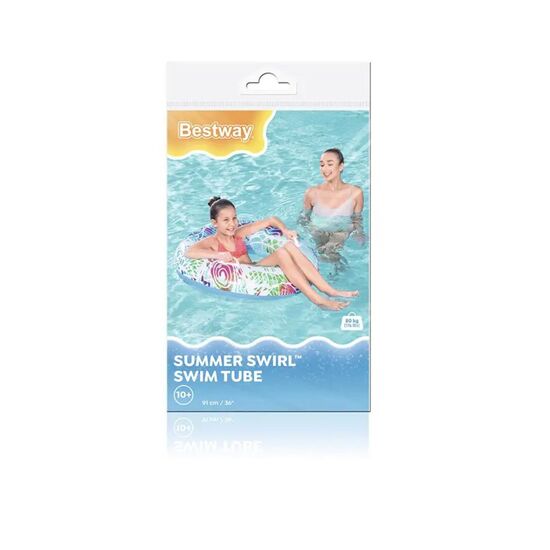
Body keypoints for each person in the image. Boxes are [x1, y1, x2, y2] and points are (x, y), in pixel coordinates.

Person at [185, 197, 358, 310]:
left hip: (254, 268)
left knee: (286, 247)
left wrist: (285, 230)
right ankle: (317, 300)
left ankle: (327, 289)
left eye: (234, 218)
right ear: (214, 223)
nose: (232, 224)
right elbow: (190, 252)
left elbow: (270, 220)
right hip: (244, 277)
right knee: (282, 254)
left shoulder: (238, 233)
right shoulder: (212, 242)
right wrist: (218, 255)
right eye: (226, 220)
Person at [300, 148, 366, 263]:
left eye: (330, 164)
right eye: (322, 165)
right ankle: (338, 266)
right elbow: (304, 217)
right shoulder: (311, 192)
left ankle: (336, 265)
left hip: (341, 232)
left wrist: (359, 232)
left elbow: (357, 218)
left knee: (328, 252)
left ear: (341, 166)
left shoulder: (356, 192)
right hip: (318, 231)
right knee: (324, 254)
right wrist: (303, 233)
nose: (325, 169)